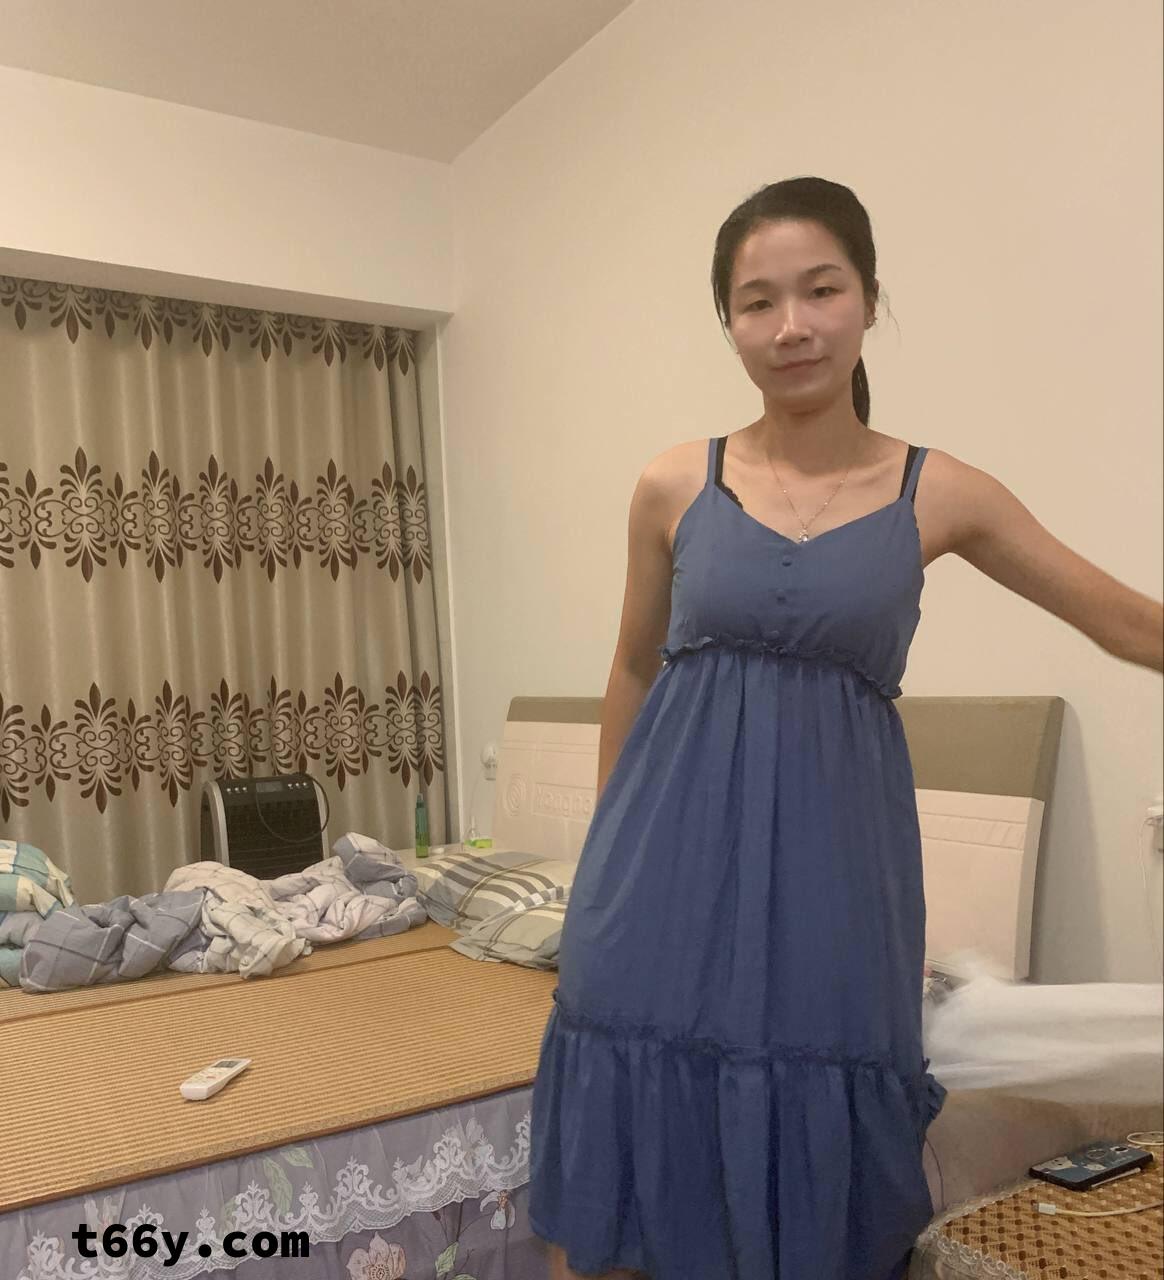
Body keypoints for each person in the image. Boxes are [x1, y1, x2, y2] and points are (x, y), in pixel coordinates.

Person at [526, 176, 1164, 1280]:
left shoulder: (941, 491)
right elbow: (632, 665)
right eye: (757, 301)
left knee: (822, 1132)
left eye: (821, 290)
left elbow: (1121, 620)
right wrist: (601, 867)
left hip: (837, 881)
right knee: (622, 1167)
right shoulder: (674, 482)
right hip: (658, 875)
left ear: (870, 298)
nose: (792, 325)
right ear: (729, 322)